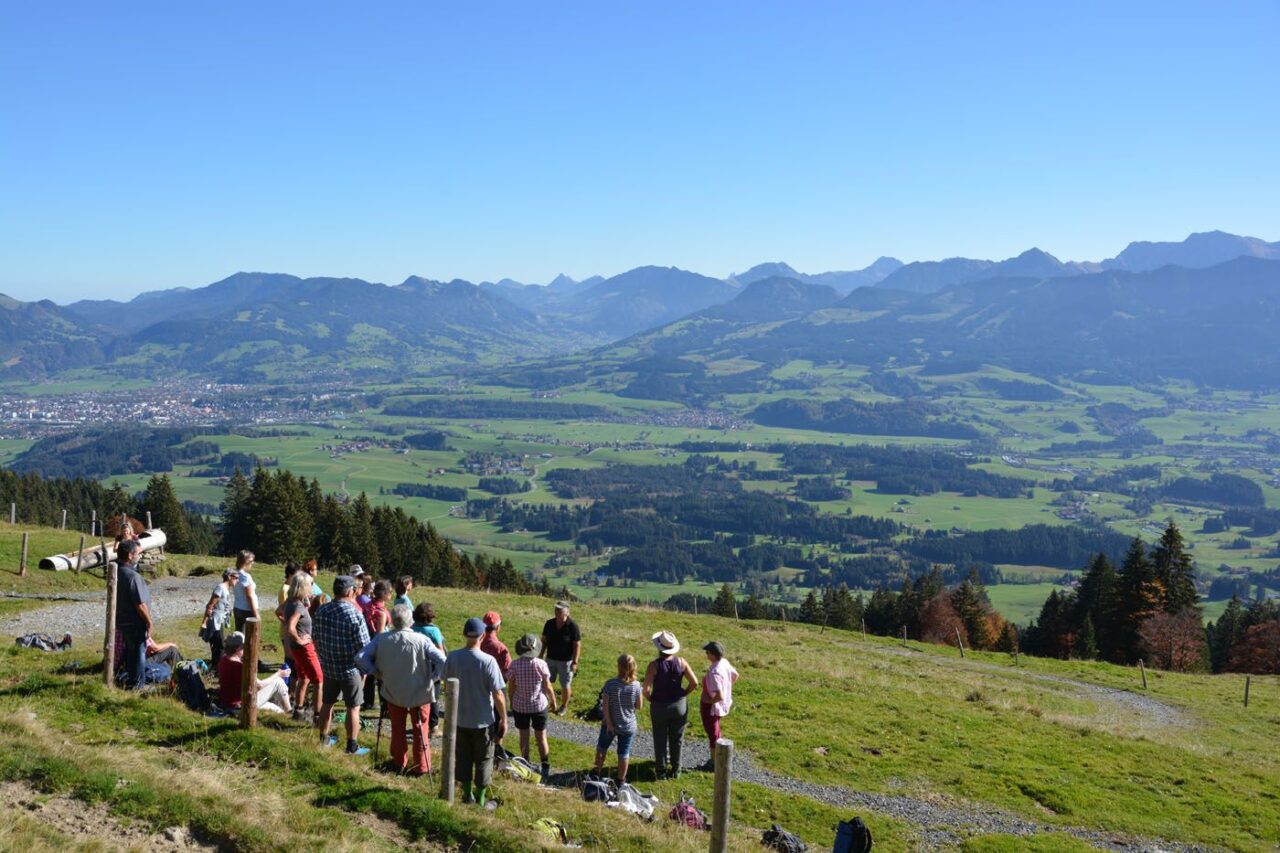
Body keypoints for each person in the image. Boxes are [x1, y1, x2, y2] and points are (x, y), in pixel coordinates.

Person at [363, 604, 445, 776]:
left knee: (397, 728)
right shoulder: (422, 640)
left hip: (393, 691)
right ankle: (422, 767)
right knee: (420, 729)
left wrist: (375, 673)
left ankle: (399, 762)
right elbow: (443, 660)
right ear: (410, 620)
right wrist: (434, 677)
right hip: (419, 693)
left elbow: (360, 657)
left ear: (392, 620)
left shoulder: (382, 639)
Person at [444, 617, 507, 806]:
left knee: (463, 758)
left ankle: (466, 794)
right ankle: (480, 799)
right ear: (482, 636)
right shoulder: (488, 661)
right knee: (484, 760)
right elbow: (497, 694)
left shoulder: (453, 657)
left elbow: (445, 684)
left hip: (459, 718)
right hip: (483, 720)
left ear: (465, 635)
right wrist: (503, 718)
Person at [314, 575, 372, 755]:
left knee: (327, 703)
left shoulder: (322, 610)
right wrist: (365, 670)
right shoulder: (355, 614)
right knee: (353, 708)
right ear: (349, 591)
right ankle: (352, 746)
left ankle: (323, 739)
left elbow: (315, 637)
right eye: (355, 590)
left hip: (329, 666)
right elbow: (365, 647)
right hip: (350, 668)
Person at [643, 630, 698, 779]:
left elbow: (646, 690)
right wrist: (684, 694)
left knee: (659, 737)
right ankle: (676, 769)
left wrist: (652, 699)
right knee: (677, 737)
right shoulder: (682, 662)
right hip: (678, 705)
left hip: (659, 705)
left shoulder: (653, 666)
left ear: (659, 647)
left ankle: (661, 770)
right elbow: (694, 682)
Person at [507, 634, 557, 782]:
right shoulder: (541, 664)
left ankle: (525, 764)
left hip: (520, 706)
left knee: (524, 736)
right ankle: (545, 767)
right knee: (541, 737)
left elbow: (511, 685)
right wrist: (553, 700)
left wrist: (511, 701)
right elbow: (547, 686)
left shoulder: (514, 665)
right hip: (538, 706)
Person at [280, 572, 323, 722]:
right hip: (304, 648)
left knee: (303, 678)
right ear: (303, 586)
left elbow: (280, 612)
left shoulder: (291, 602)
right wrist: (300, 640)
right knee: (318, 680)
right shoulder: (298, 606)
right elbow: (291, 627)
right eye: (310, 584)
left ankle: (298, 710)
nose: (312, 587)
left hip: (295, 648)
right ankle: (318, 717)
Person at [594, 654, 643, 784]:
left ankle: (595, 773)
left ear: (619, 667)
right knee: (623, 754)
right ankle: (620, 780)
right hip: (628, 725)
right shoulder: (637, 685)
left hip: (611, 723)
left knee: (601, 749)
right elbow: (639, 706)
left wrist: (609, 723)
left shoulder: (610, 684)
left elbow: (604, 707)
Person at [217, 631, 292, 714]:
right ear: (238, 649)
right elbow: (259, 685)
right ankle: (290, 712)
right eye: (244, 647)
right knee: (278, 682)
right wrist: (279, 674)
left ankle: (286, 713)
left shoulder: (223, 659)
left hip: (227, 703)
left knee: (277, 710)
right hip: (240, 705)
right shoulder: (238, 666)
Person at [114, 539, 152, 690]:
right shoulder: (132, 576)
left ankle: (130, 680)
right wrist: (149, 622)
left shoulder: (117, 571)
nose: (139, 556)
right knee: (138, 653)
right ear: (130, 555)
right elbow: (140, 604)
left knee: (130, 652)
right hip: (134, 622)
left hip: (122, 620)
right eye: (138, 554)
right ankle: (137, 685)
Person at [699, 641, 739, 769]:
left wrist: (708, 700)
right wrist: (727, 685)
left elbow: (719, 695)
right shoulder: (724, 663)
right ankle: (717, 758)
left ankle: (715, 762)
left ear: (712, 654)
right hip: (722, 705)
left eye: (707, 652)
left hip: (712, 707)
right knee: (715, 730)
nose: (706, 654)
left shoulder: (715, 672)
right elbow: (735, 675)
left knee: (713, 733)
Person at [412, 602, 446, 737]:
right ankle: (433, 727)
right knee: (433, 698)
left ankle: (419, 722)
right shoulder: (433, 631)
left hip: (416, 666)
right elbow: (440, 651)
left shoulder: (412, 628)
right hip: (431, 667)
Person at [540, 601, 581, 714]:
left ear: (567, 612)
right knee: (546, 681)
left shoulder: (573, 626)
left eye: (560, 610)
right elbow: (544, 641)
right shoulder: (549, 623)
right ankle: (547, 702)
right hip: (550, 659)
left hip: (566, 661)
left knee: (565, 685)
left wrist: (575, 662)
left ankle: (563, 706)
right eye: (556, 609)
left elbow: (577, 645)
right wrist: (540, 655)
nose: (557, 612)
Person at [200, 568, 236, 666]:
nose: (237, 580)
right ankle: (218, 668)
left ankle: (216, 665)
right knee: (219, 644)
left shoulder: (226, 588)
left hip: (219, 620)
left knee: (218, 643)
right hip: (214, 619)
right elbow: (211, 605)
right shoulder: (220, 587)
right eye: (235, 578)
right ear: (229, 577)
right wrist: (205, 621)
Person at [277, 562, 301, 663]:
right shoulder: (285, 590)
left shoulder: (291, 588)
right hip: (286, 630)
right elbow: (284, 611)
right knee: (290, 658)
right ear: (291, 574)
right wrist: (287, 624)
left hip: (291, 627)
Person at [231, 550, 260, 632]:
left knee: (239, 634)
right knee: (250, 635)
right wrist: (256, 614)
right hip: (247, 610)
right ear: (245, 562)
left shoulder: (234, 574)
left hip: (237, 607)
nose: (252, 563)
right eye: (251, 561)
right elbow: (249, 596)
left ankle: (237, 645)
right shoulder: (245, 577)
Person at [480, 611, 512, 679]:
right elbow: (509, 671)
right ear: (497, 627)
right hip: (495, 687)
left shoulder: (476, 643)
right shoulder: (501, 648)